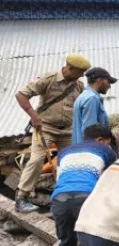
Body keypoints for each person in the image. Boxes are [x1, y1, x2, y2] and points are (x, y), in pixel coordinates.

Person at [50, 123, 117, 246]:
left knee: (66, 241)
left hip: (59, 199)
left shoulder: (64, 151)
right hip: (86, 197)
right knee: (101, 238)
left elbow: (61, 178)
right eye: (108, 142)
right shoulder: (106, 151)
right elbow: (113, 180)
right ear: (100, 140)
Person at [14, 54, 90, 213]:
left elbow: (82, 106)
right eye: (80, 71)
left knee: (72, 163)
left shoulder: (78, 86)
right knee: (37, 159)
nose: (82, 75)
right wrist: (33, 116)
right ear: (70, 68)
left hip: (68, 131)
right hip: (45, 128)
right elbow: (21, 95)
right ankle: (22, 197)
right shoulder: (48, 79)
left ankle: (66, 197)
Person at [71, 67, 116, 144]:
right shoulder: (91, 98)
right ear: (99, 80)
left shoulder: (84, 96)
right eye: (108, 82)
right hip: (90, 150)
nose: (109, 86)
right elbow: (91, 132)